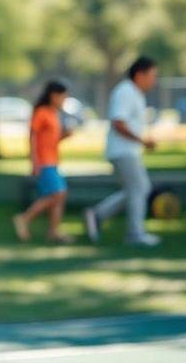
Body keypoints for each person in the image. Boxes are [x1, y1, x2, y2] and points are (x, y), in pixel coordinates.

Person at [83, 56, 160, 246]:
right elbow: (119, 122)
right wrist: (142, 140)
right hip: (123, 151)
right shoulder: (125, 92)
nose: (154, 81)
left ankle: (97, 214)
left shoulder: (135, 93)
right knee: (140, 188)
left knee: (138, 189)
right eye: (152, 76)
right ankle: (135, 234)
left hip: (129, 151)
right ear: (139, 75)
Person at [13, 81, 75, 243]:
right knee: (58, 193)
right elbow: (32, 136)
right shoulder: (41, 112)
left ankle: (54, 231)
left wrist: (64, 136)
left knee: (58, 195)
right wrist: (34, 160)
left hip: (53, 161)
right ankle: (24, 218)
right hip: (44, 162)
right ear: (53, 95)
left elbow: (51, 140)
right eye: (63, 96)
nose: (64, 100)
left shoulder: (53, 113)